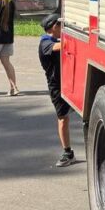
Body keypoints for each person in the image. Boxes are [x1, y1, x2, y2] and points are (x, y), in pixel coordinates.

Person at [38, 13, 75, 167]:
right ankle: (67, 153)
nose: (63, 29)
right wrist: (75, 38)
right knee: (63, 118)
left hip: (67, 83)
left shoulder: (54, 39)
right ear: (54, 27)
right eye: (61, 26)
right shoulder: (45, 42)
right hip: (56, 87)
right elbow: (59, 46)